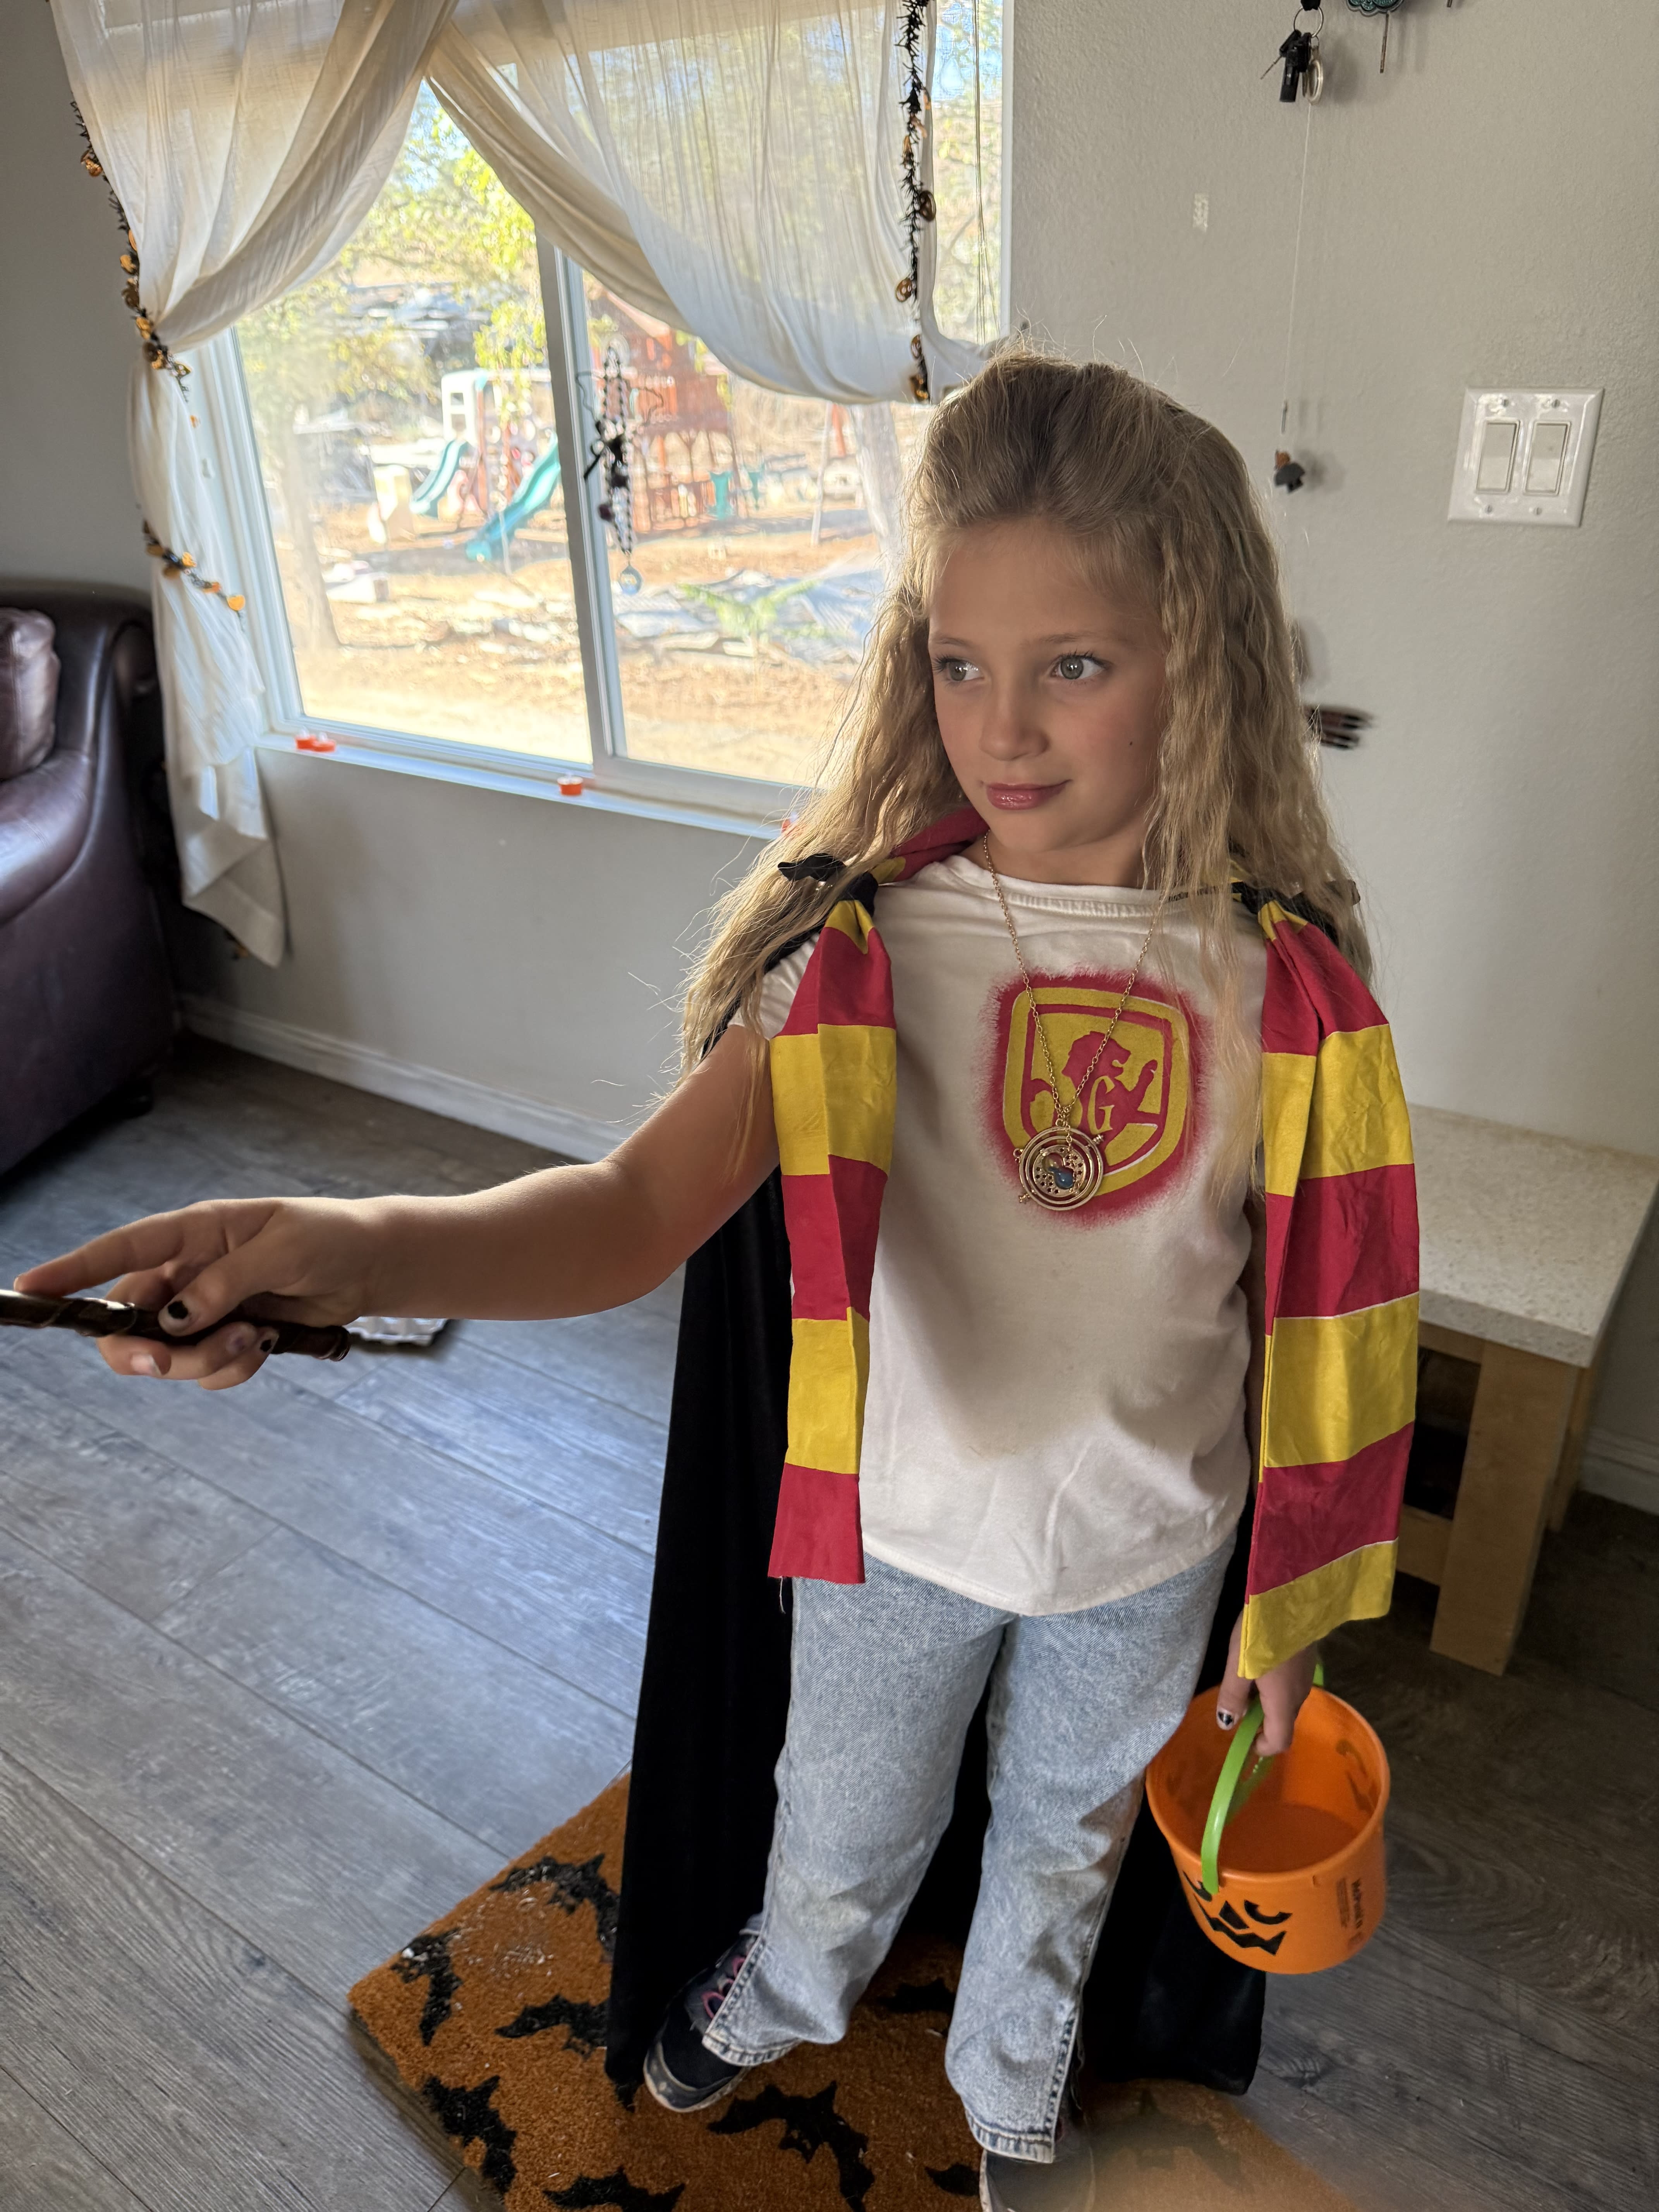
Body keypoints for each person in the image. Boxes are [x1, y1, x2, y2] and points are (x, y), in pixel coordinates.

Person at [18, 352, 1416, 2212]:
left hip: (1146, 1557)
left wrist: (1291, 1610)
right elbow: (625, 1211)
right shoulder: (854, 956)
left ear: (1206, 657)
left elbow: (1336, 1328)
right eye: (960, 661)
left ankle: (1010, 2080)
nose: (1006, 726)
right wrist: (340, 1245)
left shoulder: (1290, 992)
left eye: (1076, 664)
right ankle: (800, 1980)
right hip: (892, 1538)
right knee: (841, 1822)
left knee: (1063, 1855)